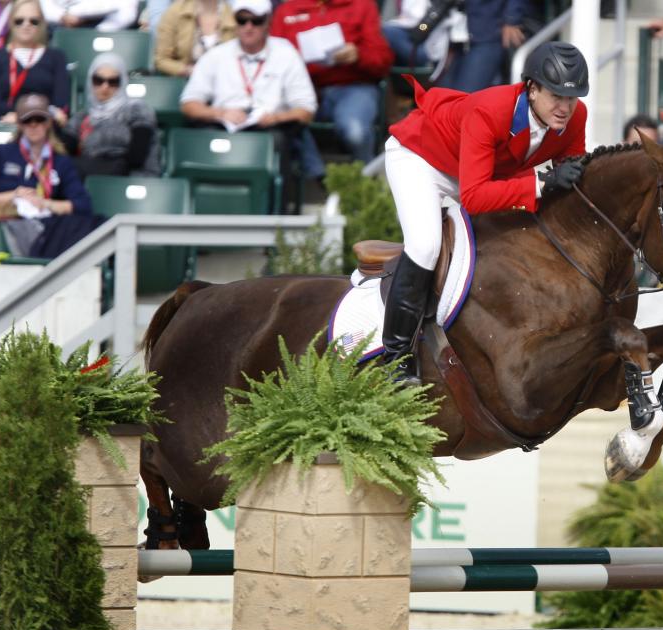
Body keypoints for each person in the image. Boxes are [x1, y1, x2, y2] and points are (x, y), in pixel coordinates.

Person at [381, 41, 588, 383]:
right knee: (425, 245)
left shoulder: (575, 117)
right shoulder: (491, 110)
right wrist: (541, 183)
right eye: (556, 96)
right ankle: (397, 359)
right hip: (422, 161)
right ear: (532, 89)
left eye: (572, 97)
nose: (565, 107)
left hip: (477, 173)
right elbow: (475, 196)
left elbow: (570, 175)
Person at [179, 0, 317, 212]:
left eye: (256, 20)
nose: (248, 27)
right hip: (223, 126)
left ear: (267, 22)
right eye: (242, 20)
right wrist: (220, 112)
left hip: (269, 128)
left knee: (278, 142)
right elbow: (189, 103)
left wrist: (276, 117)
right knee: (196, 139)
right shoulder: (216, 55)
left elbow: (306, 109)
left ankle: (273, 218)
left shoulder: (286, 53)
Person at [271, 0, 392, 177]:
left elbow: (383, 61)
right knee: (283, 118)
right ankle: (319, 177)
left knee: (355, 132)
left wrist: (359, 55)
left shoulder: (362, 5)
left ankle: (366, 182)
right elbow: (273, 60)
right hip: (303, 89)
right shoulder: (287, 10)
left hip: (352, 86)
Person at [0, 94, 100, 259]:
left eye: (39, 119)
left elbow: (83, 205)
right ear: (19, 124)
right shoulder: (0, 154)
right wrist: (14, 196)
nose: (34, 125)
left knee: (97, 224)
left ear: (48, 122)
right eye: (27, 120)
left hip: (49, 227)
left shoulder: (60, 161)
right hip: (9, 226)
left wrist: (45, 203)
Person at [59, 53, 160, 178]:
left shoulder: (137, 109)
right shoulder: (81, 117)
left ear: (122, 82)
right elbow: (63, 149)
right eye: (98, 80)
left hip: (131, 178)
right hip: (91, 178)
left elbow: (137, 157)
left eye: (113, 82)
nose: (105, 87)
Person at [0, 0, 68, 123]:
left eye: (33, 21)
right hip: (5, 125)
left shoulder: (57, 57)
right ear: (11, 22)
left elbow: (61, 102)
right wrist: (24, 116)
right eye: (19, 21)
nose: (26, 25)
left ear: (41, 23)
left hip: (44, 126)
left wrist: (23, 117)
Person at [437, 0, 527, 93]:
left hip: (487, 34)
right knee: (445, 92)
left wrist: (512, 18)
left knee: (464, 96)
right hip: (452, 37)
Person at [154, 0, 236, 77]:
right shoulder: (175, 12)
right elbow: (161, 60)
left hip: (225, 84)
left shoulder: (235, 15)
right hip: (184, 84)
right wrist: (187, 70)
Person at [38, 0, 137, 30]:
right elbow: (41, 4)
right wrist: (61, 16)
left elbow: (128, 4)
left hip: (104, 24)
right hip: (59, 23)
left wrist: (80, 14)